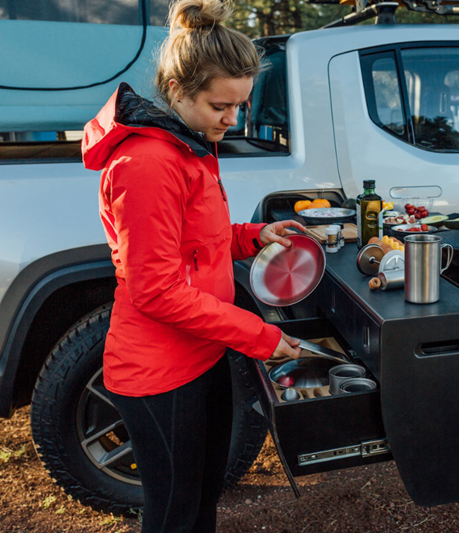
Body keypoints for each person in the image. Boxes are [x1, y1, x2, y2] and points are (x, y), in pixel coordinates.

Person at [81, 0, 303, 531]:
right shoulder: (149, 164)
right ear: (178, 92)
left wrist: (253, 237)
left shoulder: (188, 146)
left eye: (240, 105)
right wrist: (258, 335)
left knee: (201, 501)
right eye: (220, 106)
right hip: (158, 372)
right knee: (174, 515)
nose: (233, 119)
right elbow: (154, 290)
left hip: (199, 354)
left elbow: (194, 244)